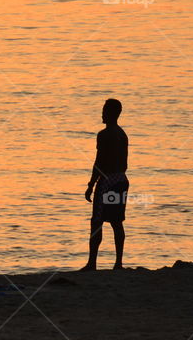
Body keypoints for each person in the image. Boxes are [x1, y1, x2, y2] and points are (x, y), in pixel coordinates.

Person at [81, 99, 128, 271]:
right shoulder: (122, 134)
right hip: (122, 179)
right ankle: (118, 263)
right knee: (117, 222)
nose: (102, 113)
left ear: (110, 113)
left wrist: (91, 184)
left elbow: (99, 162)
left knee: (97, 221)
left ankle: (92, 263)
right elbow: (124, 163)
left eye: (104, 110)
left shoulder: (104, 134)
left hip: (108, 181)